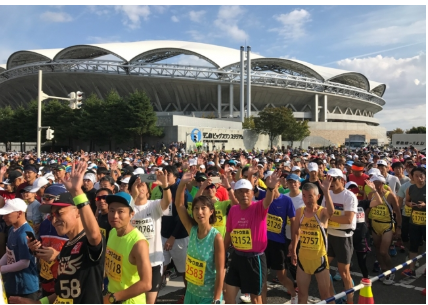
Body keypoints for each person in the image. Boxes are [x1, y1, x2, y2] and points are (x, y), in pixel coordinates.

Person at [11, 161, 105, 304]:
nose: (54, 221)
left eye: (60, 213)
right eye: (52, 216)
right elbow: (62, 294)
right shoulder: (67, 246)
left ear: (78, 212)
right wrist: (36, 303)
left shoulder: (87, 241)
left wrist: (77, 192)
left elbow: (94, 234)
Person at [223, 169, 280, 304]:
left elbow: (268, 200)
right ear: (235, 193)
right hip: (237, 257)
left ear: (252, 192)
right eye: (240, 191)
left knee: (255, 298)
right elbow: (229, 234)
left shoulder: (259, 207)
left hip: (255, 259)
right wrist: (222, 254)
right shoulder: (233, 210)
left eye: (247, 191)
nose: (244, 194)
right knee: (228, 294)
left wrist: (270, 188)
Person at [175, 172, 225, 304]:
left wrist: (216, 299)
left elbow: (220, 271)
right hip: (191, 294)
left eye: (204, 208)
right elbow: (179, 205)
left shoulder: (216, 237)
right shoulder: (191, 230)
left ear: (211, 211)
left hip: (208, 297)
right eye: (196, 208)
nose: (199, 212)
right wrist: (182, 184)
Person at [129, 172, 172, 304]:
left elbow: (167, 202)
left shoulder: (154, 205)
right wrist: (133, 197)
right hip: (132, 263)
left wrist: (165, 186)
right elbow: (124, 219)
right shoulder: (127, 207)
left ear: (148, 190)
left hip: (153, 262)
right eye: (137, 185)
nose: (140, 187)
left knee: (149, 301)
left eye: (143, 185)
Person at [254, 174, 297, 303]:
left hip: (278, 243)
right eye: (267, 180)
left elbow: (293, 222)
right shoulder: (263, 196)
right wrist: (250, 175)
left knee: (282, 276)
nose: (270, 182)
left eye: (273, 181)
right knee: (263, 277)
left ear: (278, 183)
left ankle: (295, 295)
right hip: (262, 242)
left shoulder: (286, 200)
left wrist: (293, 243)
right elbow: (251, 188)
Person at [290, 180, 334, 304]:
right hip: (303, 260)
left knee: (326, 295)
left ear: (317, 196)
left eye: (310, 196)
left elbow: (331, 212)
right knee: (302, 294)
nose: (306, 199)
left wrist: (326, 192)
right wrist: (293, 250)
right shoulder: (300, 212)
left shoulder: (322, 212)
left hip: (319, 259)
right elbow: (296, 233)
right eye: (304, 195)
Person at [104, 191, 152, 304]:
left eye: (121, 211)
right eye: (111, 210)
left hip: (129, 301)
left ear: (131, 214)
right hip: (111, 296)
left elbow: (146, 283)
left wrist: (113, 298)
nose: (115, 216)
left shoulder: (139, 243)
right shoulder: (112, 232)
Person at [321, 168, 357, 302]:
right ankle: (332, 297)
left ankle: (350, 301)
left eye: (334, 179)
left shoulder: (349, 196)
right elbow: (322, 213)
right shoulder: (327, 194)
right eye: (329, 179)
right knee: (323, 268)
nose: (331, 182)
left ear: (342, 180)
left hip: (343, 237)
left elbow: (348, 219)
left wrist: (329, 217)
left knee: (344, 272)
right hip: (329, 235)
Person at [0, 198, 39, 300]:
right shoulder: (12, 229)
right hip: (12, 284)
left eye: (7, 214)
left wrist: (2, 269)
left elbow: (24, 263)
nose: (3, 217)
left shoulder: (24, 234)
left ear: (19, 213)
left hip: (24, 287)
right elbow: (9, 251)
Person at [367, 174, 402, 285]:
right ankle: (384, 270)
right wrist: (366, 221)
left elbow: (397, 211)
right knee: (377, 250)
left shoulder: (389, 195)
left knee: (383, 251)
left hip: (387, 225)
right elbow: (368, 208)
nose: (374, 184)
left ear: (381, 183)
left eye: (376, 182)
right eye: (372, 182)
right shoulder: (370, 195)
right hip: (375, 225)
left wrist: (399, 228)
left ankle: (391, 271)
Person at [402, 167, 426, 278]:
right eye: (416, 176)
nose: (419, 178)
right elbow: (407, 201)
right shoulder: (410, 188)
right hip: (414, 222)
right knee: (413, 246)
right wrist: (409, 204)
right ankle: (411, 269)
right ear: (412, 177)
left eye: (421, 175)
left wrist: (425, 205)